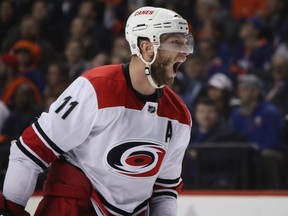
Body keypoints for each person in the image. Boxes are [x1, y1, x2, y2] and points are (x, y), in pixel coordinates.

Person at [0, 6, 193, 216]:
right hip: (74, 208)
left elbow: (164, 190)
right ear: (146, 47)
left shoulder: (179, 116)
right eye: (175, 43)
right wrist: (10, 209)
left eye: (185, 43)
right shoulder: (96, 88)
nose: (184, 52)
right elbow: (30, 151)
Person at [231, 74, 285, 189]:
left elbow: (275, 141)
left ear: (255, 93)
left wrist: (254, 149)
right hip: (246, 153)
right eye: (240, 90)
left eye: (244, 90)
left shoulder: (269, 112)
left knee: (267, 156)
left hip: (266, 153)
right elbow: (234, 136)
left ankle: (274, 190)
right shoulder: (237, 114)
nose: (240, 93)